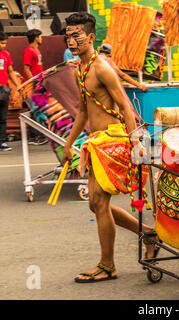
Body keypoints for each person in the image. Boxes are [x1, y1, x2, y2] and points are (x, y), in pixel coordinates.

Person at [62, 12, 157, 283]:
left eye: (76, 35)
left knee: (98, 203)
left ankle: (107, 265)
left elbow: (125, 105)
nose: (71, 40)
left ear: (91, 37)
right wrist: (69, 144)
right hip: (96, 143)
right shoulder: (81, 68)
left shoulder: (101, 67)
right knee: (95, 204)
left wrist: (135, 141)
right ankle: (148, 233)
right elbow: (83, 112)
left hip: (113, 140)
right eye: (68, 36)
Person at [23, 28, 47, 146]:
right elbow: (26, 68)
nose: (41, 39)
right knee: (34, 110)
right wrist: (33, 82)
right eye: (40, 36)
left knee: (38, 109)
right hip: (32, 85)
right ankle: (35, 136)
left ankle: (38, 135)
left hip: (38, 83)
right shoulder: (29, 50)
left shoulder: (37, 51)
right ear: (36, 38)